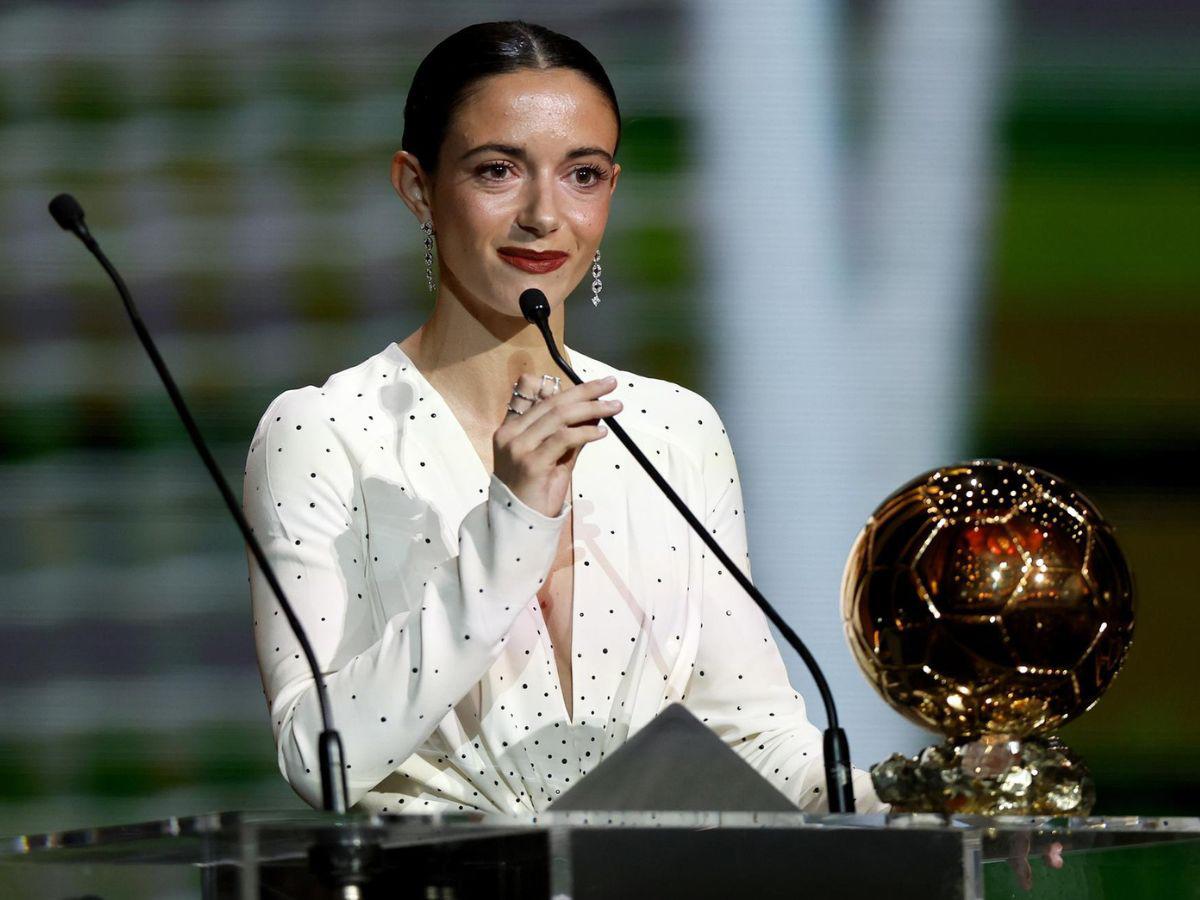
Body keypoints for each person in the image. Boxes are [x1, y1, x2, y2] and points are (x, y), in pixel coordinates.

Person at [242, 20, 883, 816]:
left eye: (582, 175)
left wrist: (926, 793)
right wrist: (512, 525)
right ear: (417, 187)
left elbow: (756, 742)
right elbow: (320, 758)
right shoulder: (323, 433)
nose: (545, 214)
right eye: (498, 170)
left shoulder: (673, 430)